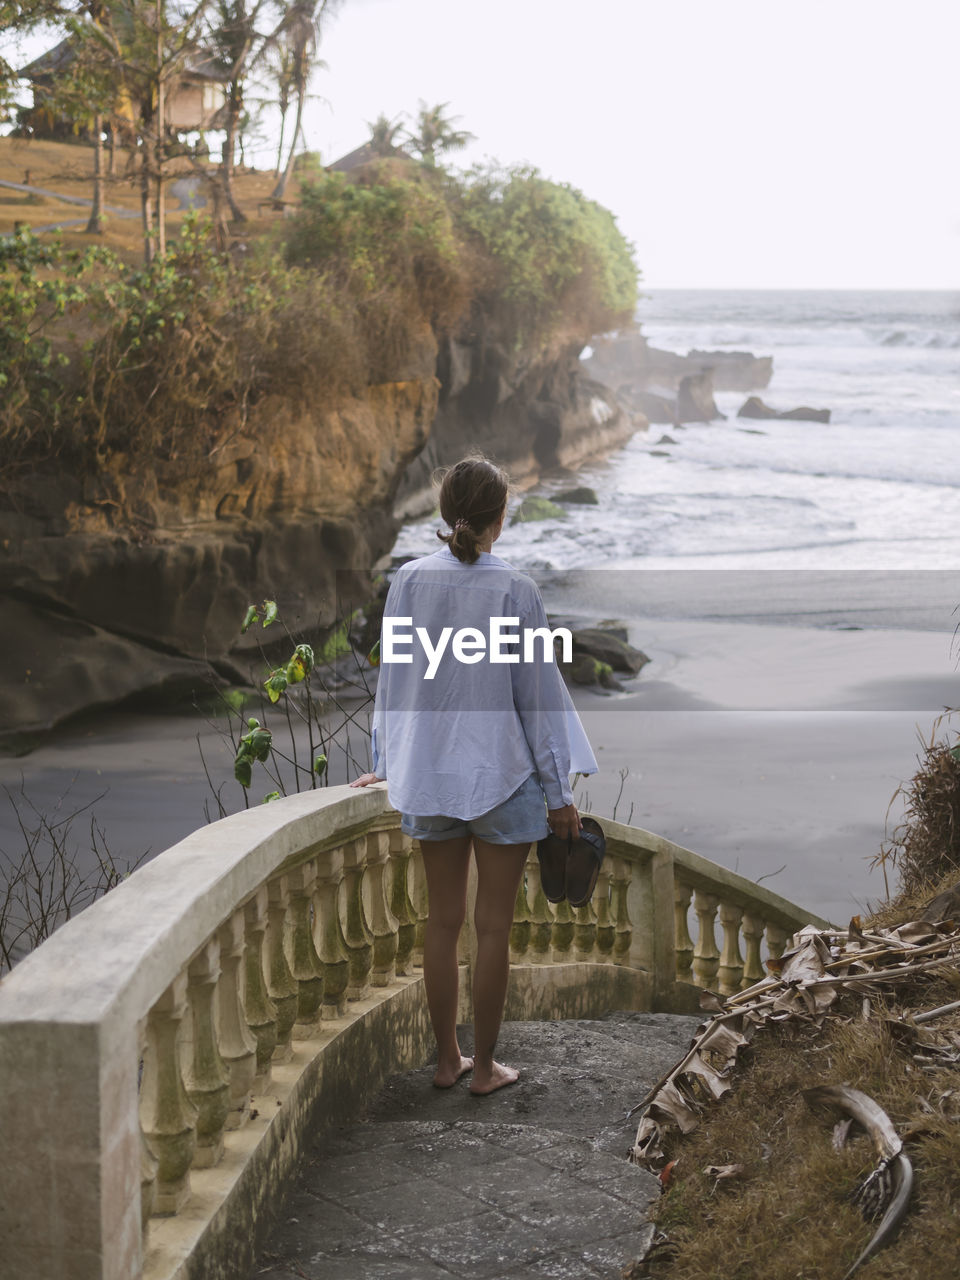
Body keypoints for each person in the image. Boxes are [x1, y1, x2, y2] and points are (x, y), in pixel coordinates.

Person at [350, 455, 598, 1094]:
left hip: (430, 774)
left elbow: (394, 683)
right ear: (500, 517)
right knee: (492, 930)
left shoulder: (407, 582)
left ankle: (443, 1062)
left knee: (442, 923)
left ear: (446, 512)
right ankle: (485, 1069)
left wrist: (383, 760)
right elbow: (536, 701)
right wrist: (560, 794)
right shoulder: (516, 589)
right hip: (503, 777)